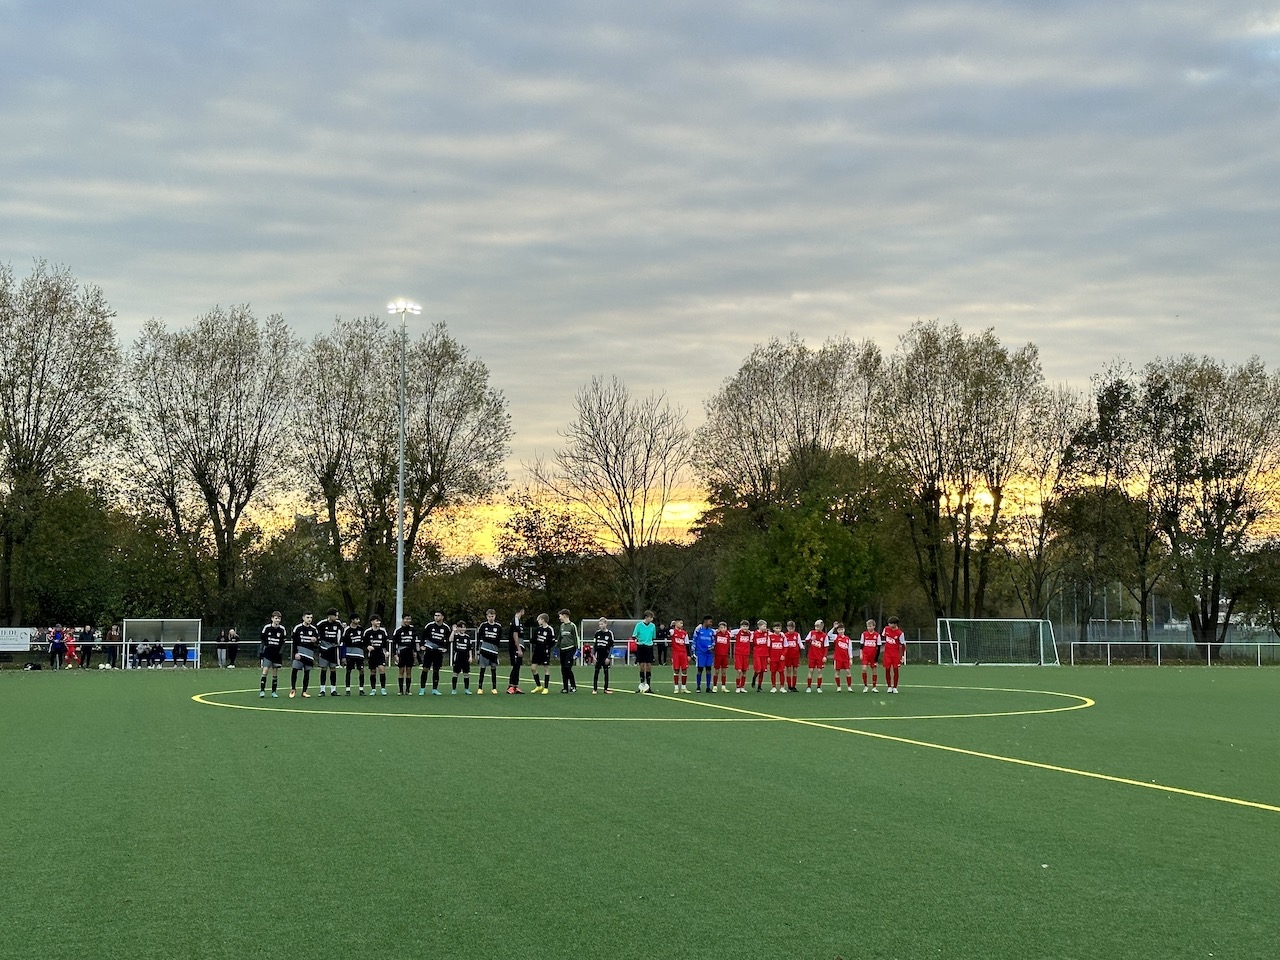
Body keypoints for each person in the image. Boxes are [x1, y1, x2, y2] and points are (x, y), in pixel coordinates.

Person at [419, 611, 449, 696]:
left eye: (438, 615)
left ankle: (435, 689)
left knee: (436, 669)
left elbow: (448, 639)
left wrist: (445, 648)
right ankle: (422, 689)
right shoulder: (429, 625)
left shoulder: (446, 628)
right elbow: (423, 636)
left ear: (442, 617)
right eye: (435, 615)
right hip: (429, 650)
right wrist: (422, 645)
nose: (436, 617)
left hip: (438, 651)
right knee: (425, 668)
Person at [290, 612, 318, 698]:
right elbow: (294, 642)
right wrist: (295, 653)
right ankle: (293, 689)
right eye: (308, 617)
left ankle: (304, 691)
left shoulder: (314, 629)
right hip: (299, 654)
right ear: (303, 618)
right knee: (294, 670)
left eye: (311, 617)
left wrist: (315, 641)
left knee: (307, 673)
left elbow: (317, 644)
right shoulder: (298, 628)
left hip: (309, 654)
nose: (309, 619)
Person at [258, 611, 287, 698]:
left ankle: (273, 692)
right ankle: (262, 690)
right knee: (265, 670)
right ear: (272, 619)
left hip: (277, 654)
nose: (277, 620)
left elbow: (283, 642)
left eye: (279, 618)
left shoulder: (282, 629)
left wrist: (281, 652)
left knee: (275, 672)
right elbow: (262, 641)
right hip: (268, 652)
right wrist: (261, 652)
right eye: (276, 618)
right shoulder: (267, 628)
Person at [316, 609, 344, 696]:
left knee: (333, 669)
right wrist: (318, 642)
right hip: (324, 649)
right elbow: (315, 632)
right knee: (323, 669)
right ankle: (322, 690)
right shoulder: (322, 624)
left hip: (334, 650)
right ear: (330, 616)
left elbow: (342, 635)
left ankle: (333, 690)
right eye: (336, 615)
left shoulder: (338, 624)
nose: (337, 617)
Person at [476, 610, 503, 694]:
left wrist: (497, 650)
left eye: (492, 616)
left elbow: (498, 639)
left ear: (495, 616)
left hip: (494, 651)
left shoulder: (498, 626)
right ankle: (480, 688)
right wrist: (477, 648)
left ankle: (494, 688)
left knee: (493, 669)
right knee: (482, 669)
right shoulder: (483, 625)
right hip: (484, 650)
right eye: (489, 616)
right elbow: (479, 637)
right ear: (486, 616)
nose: (491, 618)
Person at [392, 615, 418, 695]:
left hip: (410, 652)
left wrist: (415, 651)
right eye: (406, 619)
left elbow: (414, 642)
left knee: (409, 671)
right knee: (401, 671)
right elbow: (394, 643)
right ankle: (400, 690)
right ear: (403, 619)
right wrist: (395, 654)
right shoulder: (398, 630)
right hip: (401, 652)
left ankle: (407, 690)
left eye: (409, 619)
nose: (408, 620)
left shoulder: (412, 630)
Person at [631, 610, 656, 693]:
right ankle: (641, 685)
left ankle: (648, 686)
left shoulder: (653, 626)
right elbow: (634, 636)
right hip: (641, 646)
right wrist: (637, 641)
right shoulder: (639, 625)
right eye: (650, 617)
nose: (652, 619)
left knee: (649, 665)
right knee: (642, 666)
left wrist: (650, 642)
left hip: (649, 647)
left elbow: (653, 637)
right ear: (646, 617)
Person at [364, 615, 390, 695]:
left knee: (382, 669)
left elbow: (386, 642)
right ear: (372, 622)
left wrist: (387, 651)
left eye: (379, 621)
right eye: (377, 621)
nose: (378, 622)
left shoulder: (383, 631)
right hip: (372, 654)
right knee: (373, 671)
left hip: (380, 653)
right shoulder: (367, 632)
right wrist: (368, 647)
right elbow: (364, 643)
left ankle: (383, 689)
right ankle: (373, 689)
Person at [530, 613, 555, 694]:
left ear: (543, 620)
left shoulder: (549, 629)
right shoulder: (538, 629)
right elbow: (534, 639)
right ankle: (538, 686)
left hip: (545, 651)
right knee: (533, 668)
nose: (538, 621)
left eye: (539, 619)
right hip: (537, 651)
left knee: (546, 668)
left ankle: (546, 688)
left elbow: (552, 641)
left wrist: (547, 648)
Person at [341, 615, 367, 695]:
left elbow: (365, 641)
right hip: (350, 653)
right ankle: (348, 690)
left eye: (359, 619)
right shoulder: (347, 630)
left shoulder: (361, 629)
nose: (358, 620)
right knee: (348, 671)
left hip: (359, 653)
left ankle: (361, 690)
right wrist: (343, 656)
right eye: (356, 619)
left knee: (361, 670)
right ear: (352, 620)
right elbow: (343, 643)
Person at [557, 610, 579, 693]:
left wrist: (577, 649)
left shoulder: (572, 626)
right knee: (563, 669)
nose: (559, 618)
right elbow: (560, 637)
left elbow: (576, 637)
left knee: (567, 667)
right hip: (562, 650)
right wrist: (557, 647)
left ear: (565, 616)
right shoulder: (562, 626)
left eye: (560, 616)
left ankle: (573, 685)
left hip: (570, 649)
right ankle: (565, 687)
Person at [881, 616, 906, 693]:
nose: (889, 625)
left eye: (891, 624)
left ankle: (895, 687)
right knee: (887, 669)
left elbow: (903, 645)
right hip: (887, 654)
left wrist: (902, 656)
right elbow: (883, 638)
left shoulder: (900, 633)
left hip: (896, 654)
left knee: (895, 669)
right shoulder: (886, 629)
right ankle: (889, 686)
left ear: (895, 624)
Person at [690, 617, 714, 693]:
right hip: (700, 653)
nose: (711, 623)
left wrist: (712, 646)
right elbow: (694, 640)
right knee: (700, 670)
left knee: (709, 669)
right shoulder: (698, 630)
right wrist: (693, 652)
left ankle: (708, 687)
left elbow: (713, 641)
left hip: (708, 653)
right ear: (705, 621)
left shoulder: (711, 631)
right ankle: (698, 687)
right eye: (710, 621)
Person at [592, 618, 614, 694]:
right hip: (598, 655)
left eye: (602, 624)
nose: (600, 626)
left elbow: (611, 646)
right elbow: (594, 645)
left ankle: (606, 689)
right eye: (599, 624)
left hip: (605, 655)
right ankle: (595, 689)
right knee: (596, 672)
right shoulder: (597, 633)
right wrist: (593, 656)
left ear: (605, 624)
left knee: (606, 672)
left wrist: (608, 657)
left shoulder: (609, 633)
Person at [507, 606, 526, 694]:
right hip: (514, 646)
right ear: (521, 611)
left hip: (519, 646)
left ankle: (515, 686)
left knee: (518, 666)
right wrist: (518, 648)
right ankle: (510, 686)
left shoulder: (519, 620)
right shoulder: (515, 620)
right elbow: (515, 634)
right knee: (515, 666)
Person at [450, 621, 473, 694]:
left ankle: (466, 689)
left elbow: (469, 648)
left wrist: (470, 657)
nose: (463, 629)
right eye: (461, 627)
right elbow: (450, 639)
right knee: (455, 673)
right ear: (458, 628)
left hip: (465, 657)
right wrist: (453, 631)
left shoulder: (467, 637)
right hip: (457, 657)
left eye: (464, 627)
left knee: (466, 673)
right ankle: (454, 689)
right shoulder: (456, 636)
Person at [805, 620, 828, 692]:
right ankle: (809, 687)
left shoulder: (824, 636)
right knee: (811, 670)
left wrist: (824, 656)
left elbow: (826, 647)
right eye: (815, 626)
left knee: (819, 671)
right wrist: (810, 639)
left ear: (822, 627)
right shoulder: (811, 633)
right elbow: (806, 641)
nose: (816, 628)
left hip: (820, 657)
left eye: (818, 627)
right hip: (812, 656)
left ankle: (818, 687)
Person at [860, 619, 882, 693]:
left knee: (874, 670)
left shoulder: (877, 635)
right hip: (865, 655)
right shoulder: (864, 634)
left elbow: (879, 647)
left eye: (870, 626)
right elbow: (861, 645)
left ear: (874, 626)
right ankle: (865, 686)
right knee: (864, 669)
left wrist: (876, 659)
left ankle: (874, 687)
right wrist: (861, 654)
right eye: (868, 626)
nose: (869, 628)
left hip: (873, 656)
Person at [671, 618, 692, 693]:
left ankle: (683, 687)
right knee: (676, 670)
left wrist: (688, 655)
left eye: (682, 623)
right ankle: (676, 688)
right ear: (676, 623)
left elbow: (687, 644)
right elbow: (667, 632)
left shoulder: (684, 633)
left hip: (683, 653)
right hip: (676, 653)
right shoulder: (672, 631)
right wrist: (671, 625)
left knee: (684, 670)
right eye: (680, 623)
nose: (682, 625)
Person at [831, 623, 853, 690]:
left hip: (845, 659)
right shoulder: (836, 637)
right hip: (838, 659)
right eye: (839, 630)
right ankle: (838, 687)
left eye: (842, 629)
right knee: (837, 672)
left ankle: (849, 687)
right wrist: (834, 628)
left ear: (844, 629)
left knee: (848, 672)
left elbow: (850, 649)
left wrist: (850, 658)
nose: (841, 631)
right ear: (837, 630)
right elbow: (829, 635)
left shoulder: (848, 639)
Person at [732, 620, 752, 693]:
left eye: (746, 626)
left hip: (745, 654)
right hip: (738, 654)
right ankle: (737, 686)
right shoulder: (738, 632)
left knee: (744, 671)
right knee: (739, 670)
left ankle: (742, 687)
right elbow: (729, 632)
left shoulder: (749, 633)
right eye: (743, 626)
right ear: (740, 626)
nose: (745, 628)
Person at [750, 620, 770, 692]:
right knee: (758, 669)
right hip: (757, 654)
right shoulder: (754, 633)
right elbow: (751, 642)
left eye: (766, 626)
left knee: (762, 671)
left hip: (764, 654)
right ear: (759, 626)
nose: (765, 627)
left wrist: (782, 634)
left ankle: (759, 686)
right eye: (764, 626)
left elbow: (776, 633)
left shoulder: (767, 633)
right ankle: (754, 678)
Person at [783, 620, 802, 692]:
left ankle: (794, 686)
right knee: (788, 670)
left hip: (795, 655)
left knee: (795, 670)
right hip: (788, 656)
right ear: (787, 628)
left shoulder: (797, 635)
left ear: (794, 628)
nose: (791, 630)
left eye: (792, 628)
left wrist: (801, 646)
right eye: (789, 628)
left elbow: (799, 642)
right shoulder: (785, 635)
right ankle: (789, 686)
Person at [712, 621, 731, 692]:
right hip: (717, 655)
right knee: (716, 671)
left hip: (725, 656)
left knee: (724, 671)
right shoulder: (716, 634)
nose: (723, 629)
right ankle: (715, 686)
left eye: (724, 627)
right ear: (719, 628)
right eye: (721, 627)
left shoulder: (728, 634)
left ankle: (723, 686)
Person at [768, 622, 786, 692]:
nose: (778, 630)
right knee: (773, 672)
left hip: (781, 658)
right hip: (773, 658)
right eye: (776, 628)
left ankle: (782, 687)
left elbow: (786, 647)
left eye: (779, 628)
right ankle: (773, 687)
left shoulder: (783, 637)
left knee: (781, 672)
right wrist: (768, 657)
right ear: (773, 628)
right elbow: (768, 647)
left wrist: (783, 655)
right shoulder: (770, 637)